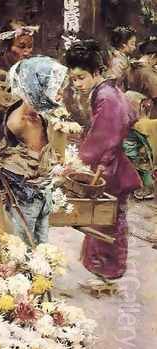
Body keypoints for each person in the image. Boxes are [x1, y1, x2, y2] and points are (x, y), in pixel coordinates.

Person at [65, 40, 141, 282]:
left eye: (80, 78)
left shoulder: (107, 96)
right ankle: (102, 264)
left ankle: (108, 268)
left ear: (96, 72)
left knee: (106, 216)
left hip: (109, 164)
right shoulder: (106, 91)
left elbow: (104, 136)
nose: (76, 84)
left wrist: (80, 159)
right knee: (104, 216)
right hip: (109, 159)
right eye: (73, 79)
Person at [0, 56, 68, 245]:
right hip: (24, 195)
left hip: (38, 193)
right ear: (37, 88)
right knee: (23, 244)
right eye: (55, 89)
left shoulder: (37, 115)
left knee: (39, 242)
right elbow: (40, 158)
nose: (60, 95)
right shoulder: (23, 122)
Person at [123, 91, 155, 200]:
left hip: (138, 153)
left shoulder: (141, 125)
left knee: (143, 169)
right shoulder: (132, 124)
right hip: (131, 151)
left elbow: (144, 141)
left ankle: (148, 190)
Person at [127, 38, 157, 116]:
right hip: (145, 116)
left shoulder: (130, 68)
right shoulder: (148, 74)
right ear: (153, 56)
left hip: (128, 113)